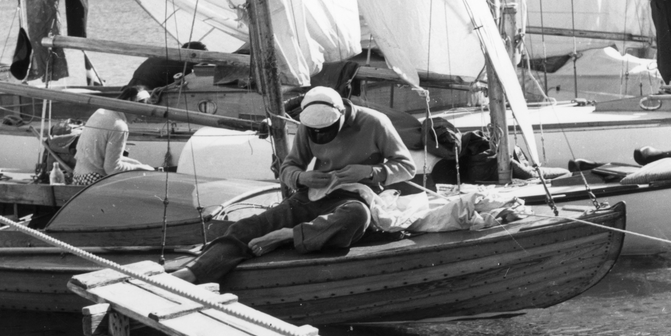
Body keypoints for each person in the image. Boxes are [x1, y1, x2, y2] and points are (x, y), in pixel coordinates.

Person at [170, 86, 415, 285]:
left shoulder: (374, 122)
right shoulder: (309, 124)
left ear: (342, 114)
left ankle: (288, 236)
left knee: (357, 216)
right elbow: (288, 168)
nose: (320, 136)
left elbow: (407, 167)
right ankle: (193, 272)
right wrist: (302, 178)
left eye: (327, 130)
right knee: (251, 225)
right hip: (313, 195)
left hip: (356, 197)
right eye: (315, 132)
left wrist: (370, 172)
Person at [72, 85, 149, 187]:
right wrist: (140, 168)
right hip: (94, 181)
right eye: (141, 111)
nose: (142, 117)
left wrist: (137, 164)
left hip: (78, 177)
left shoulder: (101, 111)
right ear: (130, 104)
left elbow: (107, 158)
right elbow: (112, 169)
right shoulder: (120, 127)